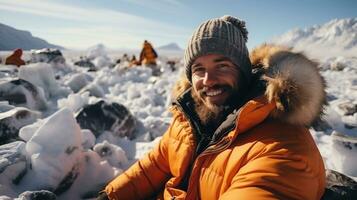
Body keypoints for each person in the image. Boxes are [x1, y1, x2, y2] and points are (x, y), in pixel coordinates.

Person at [98, 15, 326, 200]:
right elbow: (154, 166)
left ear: (244, 72)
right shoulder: (191, 118)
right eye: (198, 69)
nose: (208, 80)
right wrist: (109, 197)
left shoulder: (284, 149)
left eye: (223, 65)